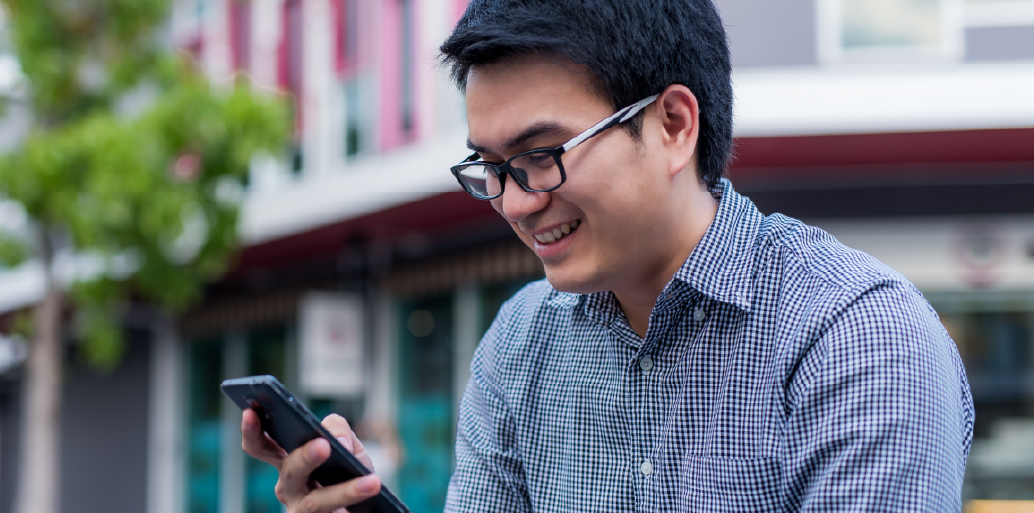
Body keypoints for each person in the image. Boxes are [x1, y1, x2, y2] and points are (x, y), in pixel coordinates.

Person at [241, 0, 975, 511]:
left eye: (539, 154)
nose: (516, 201)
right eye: (490, 167)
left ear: (672, 124)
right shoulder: (519, 344)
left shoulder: (858, 339)